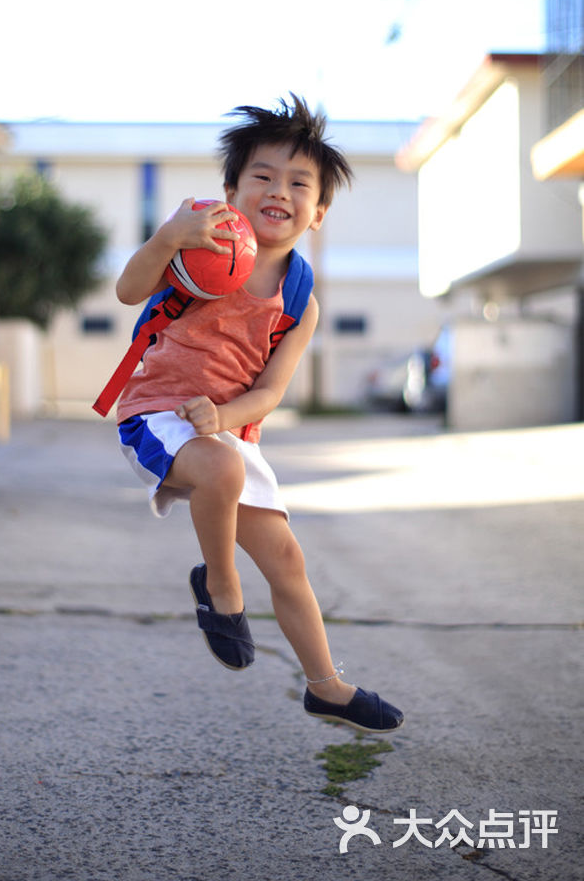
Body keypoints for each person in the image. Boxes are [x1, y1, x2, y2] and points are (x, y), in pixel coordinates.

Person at [114, 95, 403, 734]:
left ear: (319, 211)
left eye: (300, 183)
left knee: (289, 562)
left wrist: (225, 412)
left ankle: (326, 686)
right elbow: (129, 291)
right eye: (263, 176)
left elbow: (272, 390)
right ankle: (221, 590)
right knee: (217, 467)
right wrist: (166, 237)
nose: (280, 191)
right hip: (157, 415)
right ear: (231, 190)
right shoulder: (197, 249)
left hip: (226, 428)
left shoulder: (301, 296)